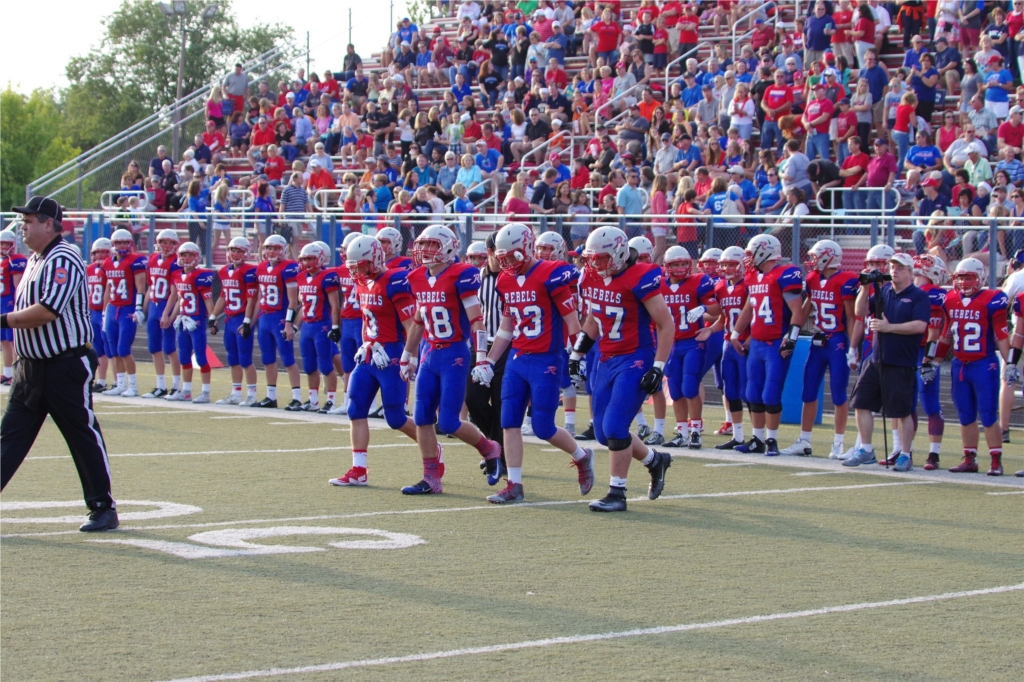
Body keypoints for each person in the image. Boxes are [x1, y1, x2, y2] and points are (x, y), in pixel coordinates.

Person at [1, 196, 118, 532]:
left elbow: (46, 311)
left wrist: (1, 321)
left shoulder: (63, 256)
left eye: (30, 221)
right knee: (9, 438)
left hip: (62, 365)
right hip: (31, 367)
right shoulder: (36, 259)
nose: (23, 226)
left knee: (81, 435)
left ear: (49, 224)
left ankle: (103, 507)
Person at [472, 223, 594, 504]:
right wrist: (489, 360)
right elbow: (506, 327)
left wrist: (578, 355)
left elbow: (572, 321)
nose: (506, 263)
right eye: (502, 259)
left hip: (546, 359)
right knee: (509, 421)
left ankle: (582, 456)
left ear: (527, 248)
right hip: (518, 357)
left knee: (542, 427)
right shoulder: (504, 280)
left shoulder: (551, 274)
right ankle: (514, 484)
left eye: (511, 256)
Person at [569, 226, 674, 512]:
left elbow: (666, 325)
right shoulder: (591, 276)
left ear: (618, 253)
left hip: (635, 357)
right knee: (604, 434)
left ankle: (617, 493)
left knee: (615, 427)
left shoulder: (640, 277)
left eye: (601, 259)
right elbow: (594, 318)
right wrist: (577, 353)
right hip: (606, 357)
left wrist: (658, 366)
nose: (594, 265)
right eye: (591, 258)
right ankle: (655, 460)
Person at [400, 225, 504, 494]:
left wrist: (481, 357)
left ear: (448, 247)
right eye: (422, 245)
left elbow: (477, 322)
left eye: (432, 245)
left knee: (448, 421)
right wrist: (407, 355)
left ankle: (489, 447)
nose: (425, 251)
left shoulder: (462, 274)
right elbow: (419, 321)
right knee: (422, 417)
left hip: (455, 353)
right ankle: (431, 477)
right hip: (429, 353)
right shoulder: (418, 278)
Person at [924, 258, 1011, 476]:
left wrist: (1009, 362)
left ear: (980, 277)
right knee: (965, 414)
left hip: (984, 363)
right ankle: (970, 458)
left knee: (989, 414)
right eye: (959, 277)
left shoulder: (993, 299)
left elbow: (1001, 335)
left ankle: (995, 460)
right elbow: (945, 336)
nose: (963, 282)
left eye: (968, 277)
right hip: (959, 364)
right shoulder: (950, 299)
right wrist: (934, 362)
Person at [844, 253, 931, 469]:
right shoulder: (884, 292)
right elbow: (860, 312)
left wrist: (889, 328)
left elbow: (920, 326)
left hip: (901, 360)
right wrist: (864, 288)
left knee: (901, 411)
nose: (894, 270)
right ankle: (865, 448)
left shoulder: (918, 296)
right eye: (892, 266)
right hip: (876, 357)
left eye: (900, 267)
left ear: (910, 272)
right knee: (861, 402)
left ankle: (905, 453)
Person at [728, 234, 807, 457]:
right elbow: (748, 308)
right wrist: (735, 333)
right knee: (752, 392)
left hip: (775, 343)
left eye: (751, 253)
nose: (749, 259)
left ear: (765, 251)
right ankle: (758, 439)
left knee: (771, 394)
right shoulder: (753, 277)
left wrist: (791, 338)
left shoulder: (784, 274)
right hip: (757, 344)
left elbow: (798, 311)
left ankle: (771, 440)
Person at [780, 241, 859, 458]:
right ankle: (804, 441)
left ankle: (838, 444)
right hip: (818, 340)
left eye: (816, 256)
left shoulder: (846, 279)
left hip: (837, 341)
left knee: (838, 394)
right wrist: (792, 336)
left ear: (828, 256)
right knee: (808, 391)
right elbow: (805, 310)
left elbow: (852, 317)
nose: (812, 261)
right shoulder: (813, 278)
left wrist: (853, 347)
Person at [657, 246, 720, 449]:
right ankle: (682, 432)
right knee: (675, 390)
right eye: (675, 264)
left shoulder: (699, 281)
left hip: (692, 342)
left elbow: (717, 308)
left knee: (690, 387)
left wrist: (703, 307)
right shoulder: (659, 286)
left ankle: (695, 431)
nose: (680, 268)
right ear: (667, 266)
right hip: (671, 344)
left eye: (684, 263)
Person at [905, 254, 950, 470]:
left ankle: (928, 453)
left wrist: (929, 360)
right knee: (911, 403)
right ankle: (908, 450)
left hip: (919, 350)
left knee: (922, 402)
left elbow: (934, 331)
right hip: (912, 350)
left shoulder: (933, 294)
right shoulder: (912, 292)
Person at [160, 242, 214, 403]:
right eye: (183, 255)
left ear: (196, 257)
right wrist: (169, 316)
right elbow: (178, 299)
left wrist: (212, 319)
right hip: (183, 320)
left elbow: (208, 300)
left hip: (196, 320)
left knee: (201, 356)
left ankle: (205, 392)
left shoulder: (202, 275)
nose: (186, 258)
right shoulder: (177, 274)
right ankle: (187, 390)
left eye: (190, 255)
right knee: (184, 357)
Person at [252, 234, 302, 409]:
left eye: (275, 248)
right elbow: (259, 297)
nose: (271, 251)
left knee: (288, 359)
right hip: (264, 318)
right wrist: (250, 321)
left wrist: (289, 324)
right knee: (267, 359)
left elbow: (293, 301)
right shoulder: (261, 268)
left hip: (280, 316)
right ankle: (270, 397)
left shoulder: (289, 267)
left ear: (284, 250)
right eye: (268, 248)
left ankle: (297, 397)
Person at [211, 237, 259, 406]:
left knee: (245, 359)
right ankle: (236, 393)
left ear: (245, 253)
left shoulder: (249, 271)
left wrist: (247, 321)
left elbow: (251, 298)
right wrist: (213, 316)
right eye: (233, 250)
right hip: (229, 318)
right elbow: (223, 296)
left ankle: (252, 394)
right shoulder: (223, 271)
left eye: (239, 251)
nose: (235, 254)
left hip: (240, 317)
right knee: (232, 359)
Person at [294, 243, 340, 413]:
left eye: (310, 258)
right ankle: (313, 400)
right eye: (304, 259)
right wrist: (295, 327)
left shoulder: (327, 276)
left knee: (326, 365)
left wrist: (335, 326)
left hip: (322, 324)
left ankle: (331, 400)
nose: (307, 262)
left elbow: (335, 305)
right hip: (307, 325)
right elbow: (303, 306)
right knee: (309, 366)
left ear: (320, 258)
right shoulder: (300, 277)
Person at [100, 229, 147, 398]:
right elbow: (107, 289)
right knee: (113, 349)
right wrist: (105, 311)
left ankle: (133, 386)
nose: (121, 246)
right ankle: (120, 384)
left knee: (123, 349)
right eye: (118, 242)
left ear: (130, 244)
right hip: (113, 308)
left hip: (127, 308)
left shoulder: (136, 260)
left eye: (124, 242)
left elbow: (141, 287)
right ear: (113, 244)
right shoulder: (107, 263)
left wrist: (139, 308)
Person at [141, 229, 182, 399]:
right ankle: (160, 386)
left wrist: (166, 314)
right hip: (154, 305)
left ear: (175, 245)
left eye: (170, 243)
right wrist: (142, 309)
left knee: (170, 348)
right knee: (154, 347)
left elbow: (174, 292)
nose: (166, 246)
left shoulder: (176, 262)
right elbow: (150, 286)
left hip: (166, 304)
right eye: (163, 242)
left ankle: (177, 386)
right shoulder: (152, 259)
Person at [83, 238, 111, 393]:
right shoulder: (88, 269)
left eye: (103, 252)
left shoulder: (109, 268)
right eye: (96, 252)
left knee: (109, 346)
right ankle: (99, 380)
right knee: (97, 348)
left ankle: (111, 381)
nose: (99, 255)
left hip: (105, 311)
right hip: (92, 311)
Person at [0, 230, 27, 385]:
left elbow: (18, 286)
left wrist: (18, 305)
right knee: (3, 339)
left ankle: (18, 374)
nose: (3, 247)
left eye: (6, 244)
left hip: (10, 301)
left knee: (13, 340)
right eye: (1, 243)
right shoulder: (2, 260)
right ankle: (7, 372)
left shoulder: (16, 260)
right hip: (1, 301)